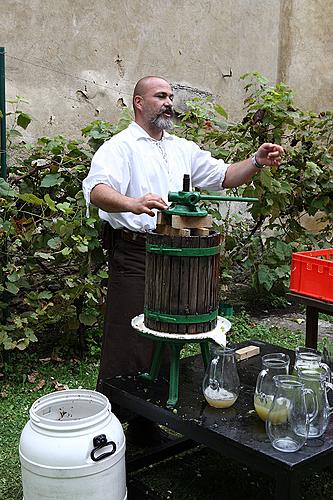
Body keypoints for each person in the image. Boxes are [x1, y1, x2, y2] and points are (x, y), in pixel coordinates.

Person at [82, 75, 284, 443]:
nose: (169, 102)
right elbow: (97, 190)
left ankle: (148, 421)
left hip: (181, 255)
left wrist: (256, 159)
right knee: (130, 338)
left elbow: (224, 176)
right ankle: (110, 425)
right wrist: (133, 202)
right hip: (137, 253)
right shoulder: (121, 147)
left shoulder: (181, 148)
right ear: (139, 103)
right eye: (160, 96)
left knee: (167, 336)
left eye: (171, 96)